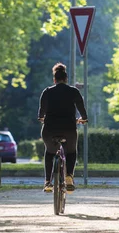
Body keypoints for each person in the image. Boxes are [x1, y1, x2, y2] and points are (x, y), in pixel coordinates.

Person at [37, 63, 88, 193]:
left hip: (49, 129)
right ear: (66, 79)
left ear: (54, 80)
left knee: (49, 152)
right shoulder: (73, 91)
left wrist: (43, 118)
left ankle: (48, 182)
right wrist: (83, 119)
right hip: (69, 128)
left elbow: (41, 113)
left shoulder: (47, 92)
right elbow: (82, 110)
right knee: (71, 152)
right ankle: (69, 176)